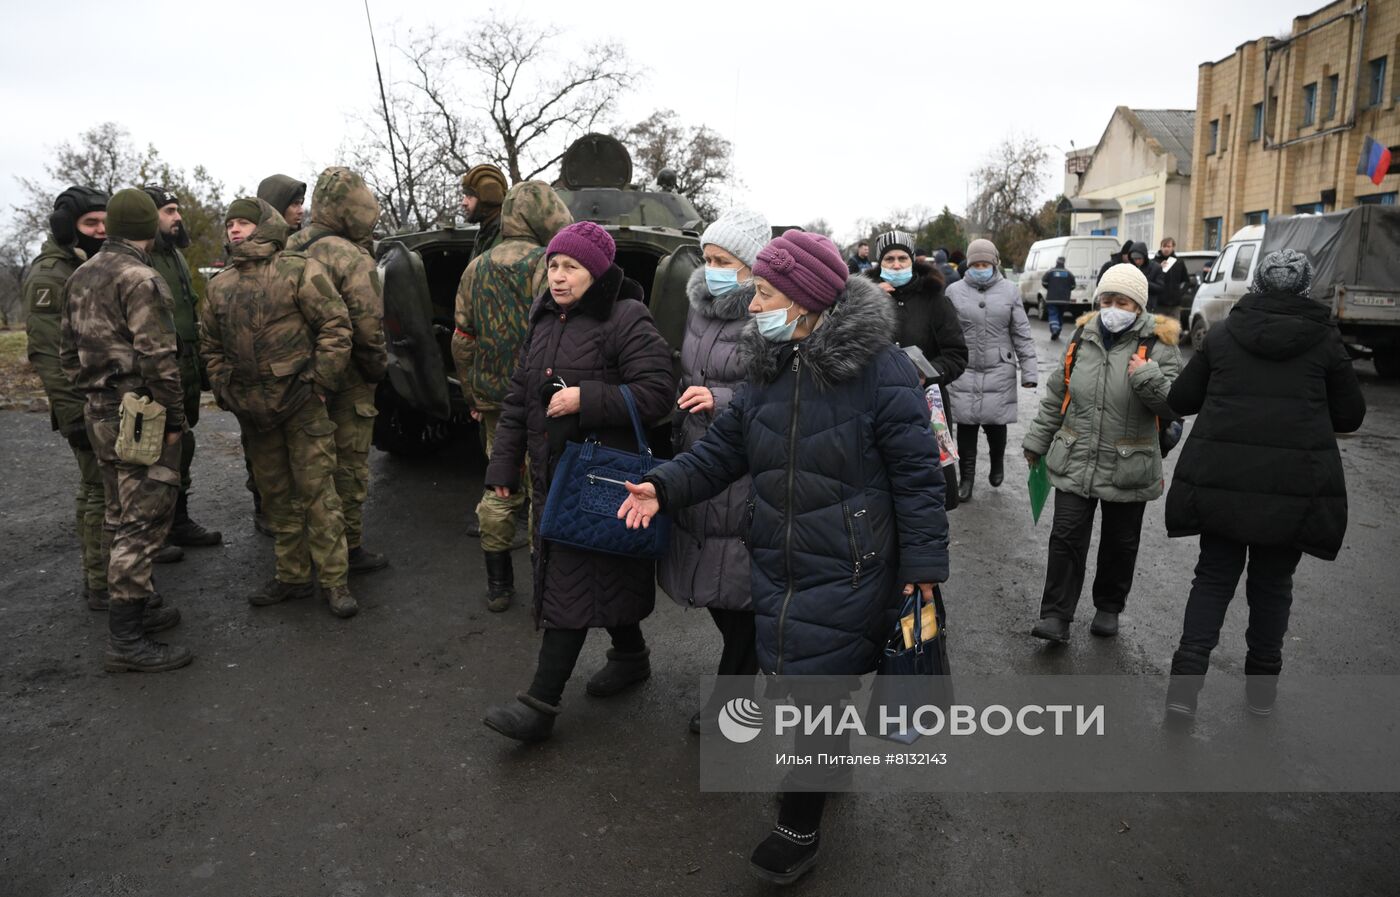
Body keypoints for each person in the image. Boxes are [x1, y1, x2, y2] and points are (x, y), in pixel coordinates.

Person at [618, 229, 950, 886]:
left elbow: (919, 480)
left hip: (851, 562)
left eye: (765, 291)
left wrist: (922, 577)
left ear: (803, 300)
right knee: (803, 680)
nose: (755, 301)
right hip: (779, 558)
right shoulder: (767, 365)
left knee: (813, 688)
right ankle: (827, 770)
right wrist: (661, 484)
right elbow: (720, 454)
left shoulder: (882, 371)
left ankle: (798, 826)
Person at [480, 221, 675, 742]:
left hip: (600, 476)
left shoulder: (626, 317)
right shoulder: (543, 317)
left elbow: (658, 392)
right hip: (552, 473)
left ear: (597, 272)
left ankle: (540, 706)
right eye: (553, 266)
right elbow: (520, 400)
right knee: (596, 569)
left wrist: (588, 397)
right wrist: (503, 466)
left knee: (571, 574)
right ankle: (631, 655)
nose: (558, 277)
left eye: (571, 267)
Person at [1163, 250, 1365, 721]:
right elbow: (1351, 415)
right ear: (1304, 288)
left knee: (1212, 579)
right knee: (1273, 585)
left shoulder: (1225, 334)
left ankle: (1183, 691)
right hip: (1293, 489)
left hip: (1221, 482)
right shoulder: (1325, 341)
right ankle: (1261, 692)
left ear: (1257, 285)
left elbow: (1182, 399)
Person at [201, 198, 358, 618]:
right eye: (230, 223)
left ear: (264, 226)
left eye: (244, 223)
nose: (235, 230)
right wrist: (224, 389)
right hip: (253, 412)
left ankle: (335, 581)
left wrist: (321, 383)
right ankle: (291, 576)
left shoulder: (299, 270)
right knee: (276, 500)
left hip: (302, 405)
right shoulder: (219, 285)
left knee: (319, 496)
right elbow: (211, 346)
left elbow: (335, 326)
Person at [59, 189, 190, 672]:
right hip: (140, 414)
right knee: (144, 518)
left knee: (118, 510)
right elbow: (160, 359)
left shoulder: (81, 274)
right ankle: (126, 640)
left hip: (99, 410)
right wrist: (173, 420)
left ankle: (137, 606)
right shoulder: (142, 278)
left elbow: (65, 354)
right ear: (146, 227)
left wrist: (95, 393)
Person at [1021, 264, 1181, 642]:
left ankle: (1109, 606)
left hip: (1130, 462)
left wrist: (1146, 375)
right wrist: (1036, 442)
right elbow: (1057, 396)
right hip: (1076, 455)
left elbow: (1174, 405)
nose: (1112, 308)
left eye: (1121, 301)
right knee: (1065, 537)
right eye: (1106, 300)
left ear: (1138, 306)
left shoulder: (1160, 345)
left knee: (1119, 542)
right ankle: (1056, 616)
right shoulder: (1082, 337)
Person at [657, 206, 770, 733]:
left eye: (725, 259)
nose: (713, 267)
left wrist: (720, 398)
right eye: (708, 257)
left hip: (746, 462)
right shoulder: (698, 305)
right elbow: (687, 366)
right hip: (698, 455)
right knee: (712, 579)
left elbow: (779, 388)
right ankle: (748, 672)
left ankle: (734, 697)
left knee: (739, 587)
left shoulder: (768, 312)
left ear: (751, 267)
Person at [451, 180, 574, 611]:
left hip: (491, 400)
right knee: (542, 487)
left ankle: (499, 583)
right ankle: (547, 581)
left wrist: (471, 391)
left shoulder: (476, 267)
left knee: (500, 484)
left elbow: (462, 339)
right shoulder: (551, 266)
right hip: (543, 398)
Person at [285, 167, 392, 575]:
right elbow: (368, 326)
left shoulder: (288, 244)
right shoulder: (350, 256)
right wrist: (375, 370)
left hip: (296, 378)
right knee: (347, 468)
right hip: (346, 380)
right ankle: (349, 548)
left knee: (306, 467)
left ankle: (304, 552)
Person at [23, 186, 115, 609]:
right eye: (90, 224)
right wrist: (74, 415)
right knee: (99, 491)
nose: (100, 231)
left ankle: (103, 574)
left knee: (96, 488)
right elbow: (47, 355)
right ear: (66, 228)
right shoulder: (51, 275)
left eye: (104, 222)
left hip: (97, 401)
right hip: (80, 405)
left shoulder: (87, 265)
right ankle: (103, 585)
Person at [142, 185, 222, 549]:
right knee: (157, 453)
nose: (177, 217)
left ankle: (178, 521)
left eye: (177, 210)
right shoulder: (142, 259)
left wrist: (202, 368)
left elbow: (188, 311)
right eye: (168, 211)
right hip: (160, 371)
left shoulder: (174, 255)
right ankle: (152, 532)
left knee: (183, 447)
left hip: (185, 369)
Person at [865, 230, 968, 508]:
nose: (896, 265)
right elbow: (844, 345)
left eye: (901, 258)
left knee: (926, 492)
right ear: (879, 263)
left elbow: (956, 354)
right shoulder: (863, 298)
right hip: (874, 405)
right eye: (889, 259)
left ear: (912, 260)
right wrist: (867, 303)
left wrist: (930, 372)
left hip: (925, 406)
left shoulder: (935, 300)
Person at [946, 238, 1037, 503]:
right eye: (976, 264)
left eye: (986, 263)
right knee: (965, 426)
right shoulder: (954, 291)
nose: (981, 268)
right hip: (964, 367)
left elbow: (1021, 332)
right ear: (968, 265)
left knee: (996, 424)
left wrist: (1029, 372)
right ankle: (967, 478)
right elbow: (945, 332)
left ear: (995, 263)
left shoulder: (1010, 290)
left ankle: (998, 462)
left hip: (999, 367)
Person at [461, 163, 509, 262]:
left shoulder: (505, 237)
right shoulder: (485, 234)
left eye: (469, 196)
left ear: (488, 199)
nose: (464, 203)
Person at [1153, 237, 1189, 323]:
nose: (1166, 249)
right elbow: (1149, 280)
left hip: (1175, 305)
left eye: (1168, 246)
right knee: (1159, 330)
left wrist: (1179, 293)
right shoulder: (1154, 262)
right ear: (1160, 247)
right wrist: (1158, 267)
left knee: (1174, 330)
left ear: (1173, 247)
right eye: (1164, 246)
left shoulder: (1179, 262)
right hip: (1159, 305)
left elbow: (1186, 281)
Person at [1041, 256, 1076, 340]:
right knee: (1060, 315)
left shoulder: (1050, 272)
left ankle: (1055, 330)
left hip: (1052, 299)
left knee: (1053, 314)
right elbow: (1073, 286)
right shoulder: (1069, 273)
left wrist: (1050, 288)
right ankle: (1058, 329)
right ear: (1064, 263)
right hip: (1064, 300)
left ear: (1056, 262)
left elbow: (1044, 282)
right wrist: (1067, 290)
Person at [1128, 241, 1165, 311]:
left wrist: (1144, 282)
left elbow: (1160, 288)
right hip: (1133, 306)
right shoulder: (1130, 267)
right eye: (1135, 259)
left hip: (1149, 306)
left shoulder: (1156, 267)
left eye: (1139, 259)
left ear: (1144, 257)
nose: (1137, 261)